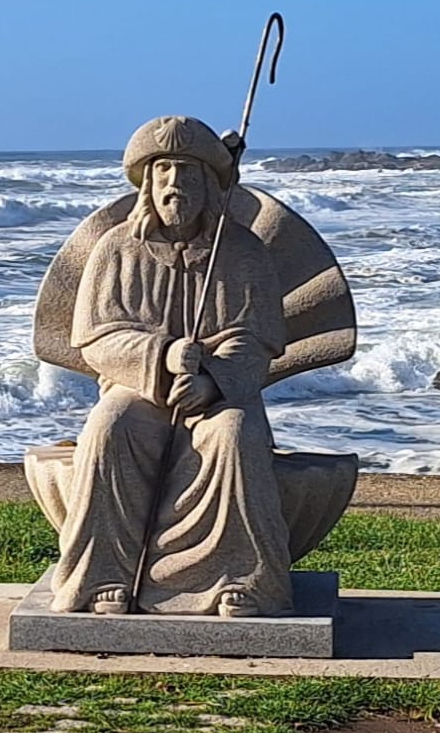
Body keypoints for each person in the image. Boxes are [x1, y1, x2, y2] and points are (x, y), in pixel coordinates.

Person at [48, 115, 295, 617]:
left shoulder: (241, 251)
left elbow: (257, 337)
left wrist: (212, 380)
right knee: (110, 427)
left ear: (208, 185)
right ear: (147, 185)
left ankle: (238, 579)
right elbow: (96, 336)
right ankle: (103, 576)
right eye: (163, 176)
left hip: (217, 393)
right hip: (136, 389)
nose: (173, 187)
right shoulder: (116, 248)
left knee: (233, 435)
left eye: (186, 175)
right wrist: (159, 357)